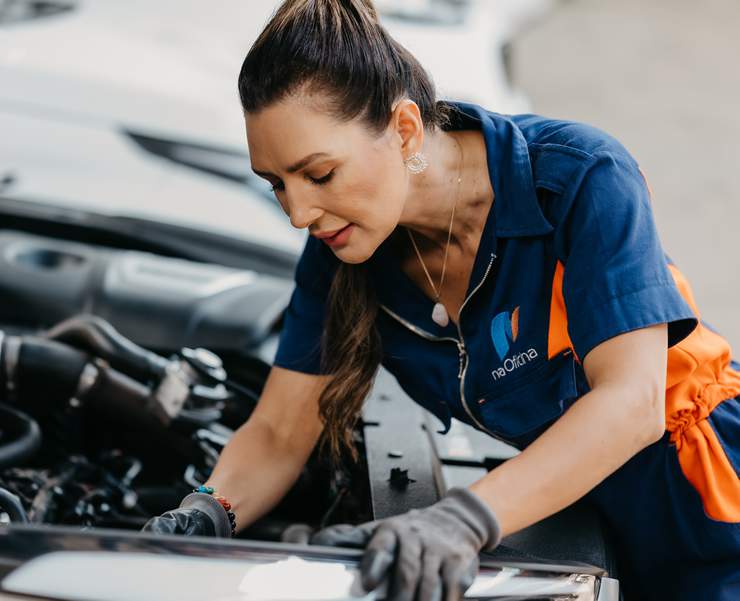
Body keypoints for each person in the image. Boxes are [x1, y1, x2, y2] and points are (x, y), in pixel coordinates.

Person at [142, 1, 740, 599]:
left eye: (319, 175)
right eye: (276, 184)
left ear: (403, 130)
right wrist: (206, 512)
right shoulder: (346, 251)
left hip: (710, 503)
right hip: (585, 517)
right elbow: (277, 432)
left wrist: (461, 519)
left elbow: (630, 403)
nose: (299, 214)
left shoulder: (576, 177)